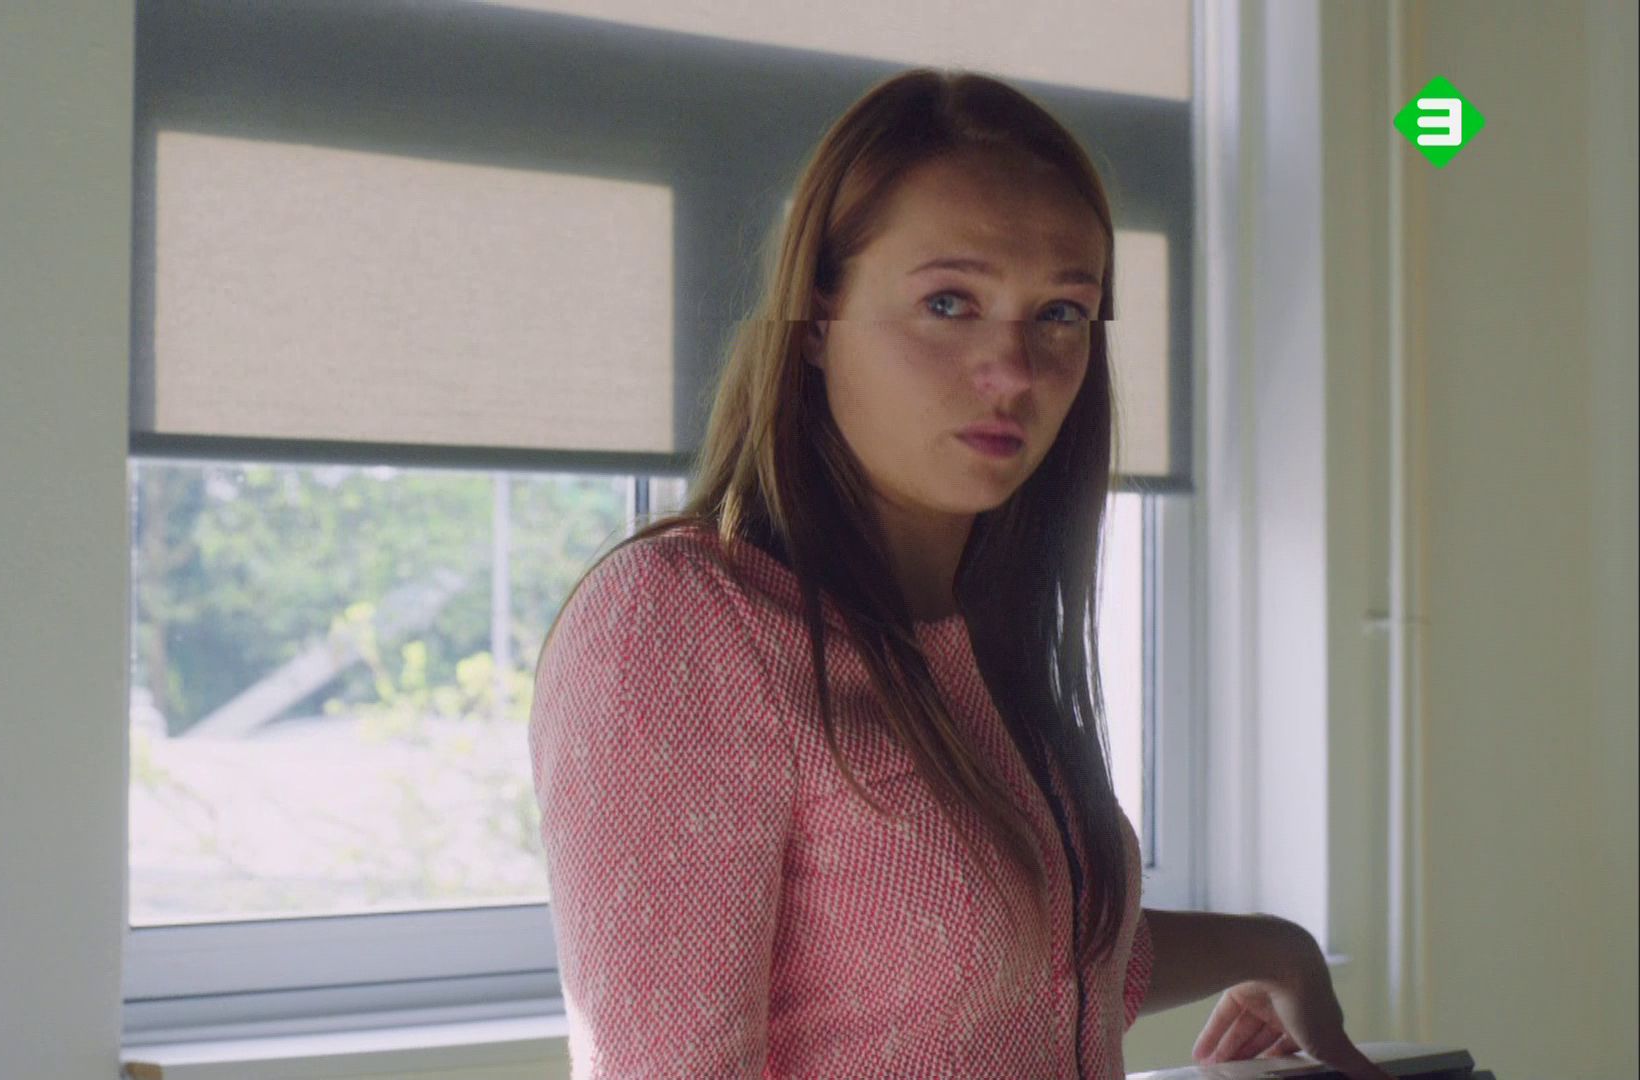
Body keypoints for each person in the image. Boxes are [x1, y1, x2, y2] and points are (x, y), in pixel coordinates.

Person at [528, 67, 1391, 1080]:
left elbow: (1039, 971)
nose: (1015, 370)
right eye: (949, 302)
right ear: (817, 317)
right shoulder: (679, 624)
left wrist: (1274, 949)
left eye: (1060, 312)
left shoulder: (977, 632)